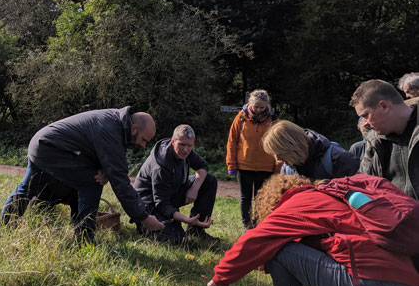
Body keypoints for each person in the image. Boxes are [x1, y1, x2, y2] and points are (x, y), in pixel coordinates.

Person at [207, 174, 419, 286]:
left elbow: (254, 240)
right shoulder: (332, 195)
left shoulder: (296, 205)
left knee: (279, 250)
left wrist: (220, 279)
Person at [0, 106, 165, 242]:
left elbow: (97, 150)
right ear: (134, 128)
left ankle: (1, 233)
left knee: (28, 189)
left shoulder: (115, 122)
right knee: (92, 183)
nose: (143, 146)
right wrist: (142, 217)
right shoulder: (112, 130)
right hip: (52, 148)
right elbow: (120, 181)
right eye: (143, 140)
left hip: (41, 144)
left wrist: (106, 169)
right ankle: (84, 240)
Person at [133, 125, 218, 244]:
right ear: (173, 142)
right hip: (150, 204)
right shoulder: (161, 166)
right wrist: (187, 220)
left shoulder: (186, 152)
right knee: (178, 241)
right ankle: (145, 227)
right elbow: (162, 204)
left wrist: (194, 188)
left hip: (171, 193)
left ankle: (197, 230)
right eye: (182, 145)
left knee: (209, 180)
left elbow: (202, 166)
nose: (186, 150)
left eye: (189, 146)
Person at [350, 79, 418, 200]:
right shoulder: (374, 142)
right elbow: (362, 184)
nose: (364, 124)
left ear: (384, 106)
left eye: (365, 116)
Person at [226, 89, 277, 228]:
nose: (259, 110)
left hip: (266, 166)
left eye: (262, 107)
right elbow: (232, 141)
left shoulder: (273, 119)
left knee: (262, 198)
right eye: (256, 107)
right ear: (250, 103)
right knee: (246, 198)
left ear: (267, 105)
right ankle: (247, 226)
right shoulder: (241, 118)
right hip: (244, 166)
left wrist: (278, 169)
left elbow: (278, 145)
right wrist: (231, 164)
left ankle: (260, 226)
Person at [261, 120, 359, 180]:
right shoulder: (287, 169)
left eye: (280, 153)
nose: (278, 159)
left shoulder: (339, 159)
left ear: (293, 146)